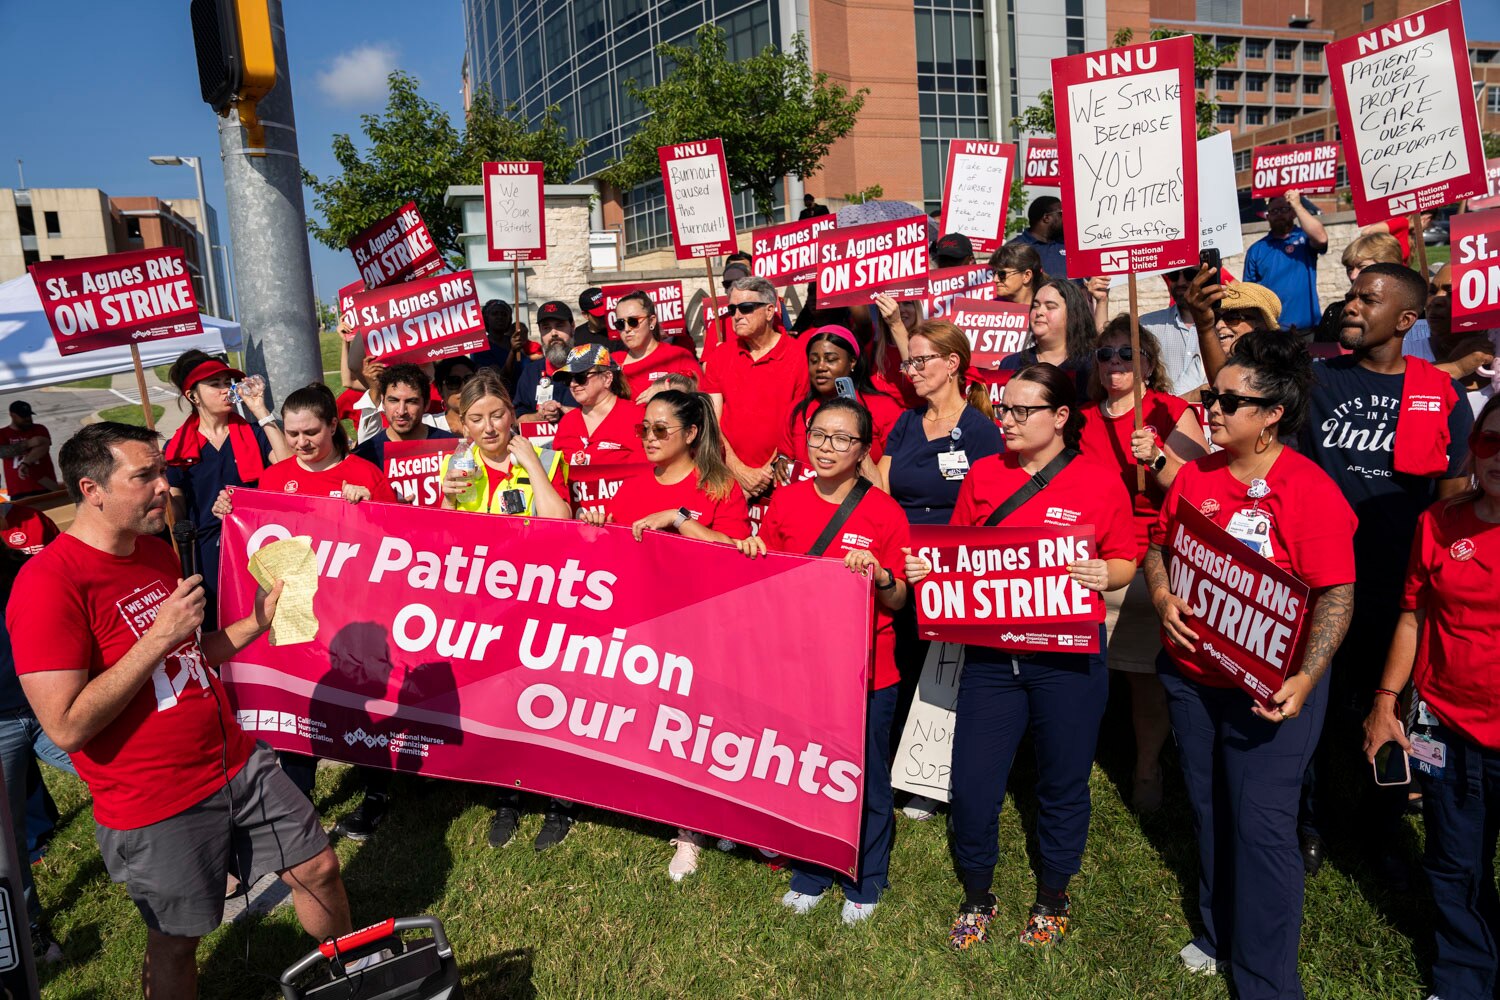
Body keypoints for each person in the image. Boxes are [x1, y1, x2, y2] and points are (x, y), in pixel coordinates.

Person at [10, 422, 352, 997]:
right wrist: (158, 637)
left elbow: (194, 652)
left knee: (318, 868)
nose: (164, 488)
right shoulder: (47, 584)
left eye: (162, 471)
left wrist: (255, 624)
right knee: (178, 939)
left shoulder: (154, 552)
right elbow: (65, 725)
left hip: (237, 763)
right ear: (91, 489)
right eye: (143, 476)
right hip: (155, 800)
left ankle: (348, 979)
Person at [1144, 329, 1356, 994]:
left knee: (1261, 823)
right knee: (1210, 809)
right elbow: (1158, 543)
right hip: (1195, 679)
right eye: (1211, 395)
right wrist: (1159, 591)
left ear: (1270, 416)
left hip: (1275, 689)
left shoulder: (1310, 490)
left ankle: (1266, 980)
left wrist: (1306, 677)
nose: (1210, 407)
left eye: (1227, 401)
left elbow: (1336, 594)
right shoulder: (1196, 474)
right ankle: (1217, 932)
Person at [906, 363, 1137, 950]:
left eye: (1019, 411)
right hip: (991, 662)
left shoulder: (1099, 480)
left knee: (1063, 782)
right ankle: (978, 893)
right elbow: (957, 551)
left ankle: (1053, 895)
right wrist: (927, 569)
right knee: (976, 783)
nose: (1004, 421)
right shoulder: (984, 474)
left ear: (1060, 417)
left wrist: (1101, 573)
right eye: (1002, 410)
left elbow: (1125, 560)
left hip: (1069, 662)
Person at [741, 397, 911, 924]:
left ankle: (865, 877)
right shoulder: (786, 502)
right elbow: (768, 572)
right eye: (818, 435)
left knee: (869, 778)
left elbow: (900, 598)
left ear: (863, 451)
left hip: (867, 671)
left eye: (841, 439)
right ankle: (812, 868)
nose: (826, 447)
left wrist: (880, 576)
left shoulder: (885, 511)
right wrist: (751, 551)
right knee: (813, 772)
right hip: (801, 667)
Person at [214, 384, 399, 838]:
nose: (301, 442)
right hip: (296, 612)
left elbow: (397, 546)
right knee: (299, 699)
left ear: (334, 425)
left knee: (363, 698)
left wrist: (369, 510)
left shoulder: (365, 473)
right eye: (293, 433)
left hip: (355, 613)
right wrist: (230, 512)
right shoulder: (275, 477)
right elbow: (258, 538)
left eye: (311, 432)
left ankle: (377, 790)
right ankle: (298, 799)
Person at [579, 389, 750, 880]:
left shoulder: (718, 487)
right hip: (647, 623)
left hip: (704, 626)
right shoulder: (633, 485)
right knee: (663, 722)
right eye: (643, 430)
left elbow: (733, 552)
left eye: (660, 430)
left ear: (691, 434)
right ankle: (683, 820)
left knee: (700, 726)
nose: (649, 438)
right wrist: (596, 526)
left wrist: (678, 520)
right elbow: (611, 552)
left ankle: (698, 825)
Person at [1362, 393, 1500, 1000]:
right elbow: (1413, 616)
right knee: (1453, 863)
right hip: (1446, 725)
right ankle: (1464, 979)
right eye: (1491, 440)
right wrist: (1386, 701)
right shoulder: (1440, 523)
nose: (1498, 456)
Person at [436, 371, 575, 849]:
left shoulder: (548, 456)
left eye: (497, 414)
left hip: (540, 601)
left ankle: (560, 799)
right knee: (497, 702)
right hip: (485, 607)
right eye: (477, 419)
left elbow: (560, 522)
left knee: (547, 698)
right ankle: (507, 794)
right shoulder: (455, 466)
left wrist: (532, 463)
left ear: (512, 414)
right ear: (463, 425)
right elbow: (448, 547)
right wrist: (448, 501)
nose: (490, 427)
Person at [1080, 319, 1207, 813]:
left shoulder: (1170, 412)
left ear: (1149, 364)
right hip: (1090, 557)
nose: (1115, 363)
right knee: (1079, 672)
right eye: (1106, 354)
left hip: (1147, 556)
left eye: (1127, 355)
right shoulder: (1082, 419)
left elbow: (1197, 492)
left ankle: (1148, 766)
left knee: (1142, 675)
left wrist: (1156, 459)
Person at [876, 318, 1001, 820]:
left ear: (953, 365)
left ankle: (932, 772)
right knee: (902, 663)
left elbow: (992, 506)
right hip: (901, 565)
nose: (910, 371)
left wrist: (951, 563)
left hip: (952, 571)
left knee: (944, 673)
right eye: (908, 361)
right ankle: (894, 762)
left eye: (920, 360)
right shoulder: (906, 422)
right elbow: (884, 490)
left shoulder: (982, 432)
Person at [163, 351, 290, 629]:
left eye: (227, 382)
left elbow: (288, 469)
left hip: (258, 542)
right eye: (215, 384)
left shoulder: (255, 432)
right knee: (221, 625)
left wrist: (261, 410)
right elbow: (177, 512)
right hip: (209, 554)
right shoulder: (176, 448)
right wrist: (161, 490)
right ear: (193, 396)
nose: (226, 390)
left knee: (269, 621)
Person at [0, 500, 73, 963]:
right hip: (2, 724)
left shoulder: (12, 554)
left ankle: (167, 872)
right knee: (5, 841)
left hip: (52, 702)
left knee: (121, 770)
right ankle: (27, 932)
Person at [702, 276, 810, 500]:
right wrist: (740, 471)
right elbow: (711, 420)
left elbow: (797, 422)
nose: (737, 315)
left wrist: (765, 473)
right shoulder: (719, 357)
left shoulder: (799, 355)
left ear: (770, 311)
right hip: (728, 480)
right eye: (733, 309)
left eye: (746, 308)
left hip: (781, 479)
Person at [778, 325, 903, 474]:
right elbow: (786, 455)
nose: (821, 367)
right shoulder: (798, 409)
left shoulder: (884, 408)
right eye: (814, 361)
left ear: (852, 362)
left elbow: (897, 465)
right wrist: (782, 462)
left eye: (831, 359)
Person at [1243, 190, 1328, 332]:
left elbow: (1321, 238)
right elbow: (1249, 294)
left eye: (1284, 209)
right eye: (1274, 211)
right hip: (1272, 331)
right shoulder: (1256, 250)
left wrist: (1297, 204)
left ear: (1293, 213)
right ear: (1268, 217)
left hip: (1307, 329)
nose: (1279, 214)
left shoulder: (1304, 239)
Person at [549, 345, 646, 469]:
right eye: (568, 379)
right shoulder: (568, 422)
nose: (573, 384)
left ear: (606, 378)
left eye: (581, 377)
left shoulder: (637, 416)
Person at [997, 278, 1096, 397]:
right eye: (1035, 305)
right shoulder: (1010, 364)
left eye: (1050, 307)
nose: (1039, 312)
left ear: (1072, 314)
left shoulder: (1092, 364)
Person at [352, 363, 457, 472]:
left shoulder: (452, 449)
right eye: (393, 400)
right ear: (383, 402)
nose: (401, 411)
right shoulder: (365, 456)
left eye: (411, 401)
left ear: (426, 405)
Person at [611, 290, 702, 394]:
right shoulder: (612, 361)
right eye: (620, 324)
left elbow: (701, 398)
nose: (627, 329)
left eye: (633, 321)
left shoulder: (679, 355)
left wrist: (666, 393)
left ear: (651, 321)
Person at [1139, 267, 1209, 398]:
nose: (1181, 282)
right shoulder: (1147, 325)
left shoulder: (1224, 325)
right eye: (1174, 275)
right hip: (1162, 415)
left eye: (1189, 274)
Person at [1180, 266, 1281, 354]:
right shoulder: (1203, 364)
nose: (1219, 325)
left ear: (1261, 325)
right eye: (1216, 317)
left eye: (1232, 317)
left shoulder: (1279, 370)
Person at [515, 301, 580, 424]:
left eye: (560, 326)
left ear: (572, 326)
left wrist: (563, 411)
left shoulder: (590, 367)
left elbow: (602, 412)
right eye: (546, 328)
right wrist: (540, 415)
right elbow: (518, 419)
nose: (553, 333)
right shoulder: (530, 372)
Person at [0, 401, 60, 499]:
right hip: (18, 490)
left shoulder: (39, 429)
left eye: (29, 415)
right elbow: (2, 452)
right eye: (23, 416)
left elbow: (43, 446)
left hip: (46, 484)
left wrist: (26, 463)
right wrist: (28, 443)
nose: (28, 419)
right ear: (12, 415)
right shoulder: (3, 433)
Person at [1007, 195, 1067, 279]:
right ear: (1046, 218)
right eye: (1061, 213)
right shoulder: (1014, 249)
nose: (1067, 217)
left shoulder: (1067, 243)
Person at [989, 243, 1044, 309]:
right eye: (994, 273)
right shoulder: (990, 309)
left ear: (1027, 276)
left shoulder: (1045, 310)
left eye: (1002, 274)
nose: (995, 279)